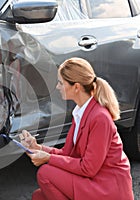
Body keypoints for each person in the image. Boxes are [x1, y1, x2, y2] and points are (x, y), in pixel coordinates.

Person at [19, 57, 134, 200]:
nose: (57, 87)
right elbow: (68, 153)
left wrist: (48, 158)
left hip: (106, 186)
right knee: (39, 197)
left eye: (61, 83)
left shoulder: (100, 118)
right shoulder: (80, 112)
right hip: (94, 179)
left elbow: (88, 168)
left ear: (76, 87)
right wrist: (38, 148)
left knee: (45, 173)